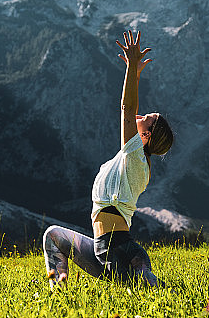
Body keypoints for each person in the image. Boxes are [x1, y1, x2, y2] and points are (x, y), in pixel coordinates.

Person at [42, 30, 174, 288]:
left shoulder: (135, 155)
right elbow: (131, 111)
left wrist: (132, 69)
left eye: (146, 117)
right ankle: (58, 292)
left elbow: (127, 108)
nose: (140, 115)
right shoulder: (131, 158)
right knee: (53, 235)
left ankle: (60, 291)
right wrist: (134, 73)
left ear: (146, 135)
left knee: (144, 290)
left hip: (115, 250)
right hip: (111, 250)